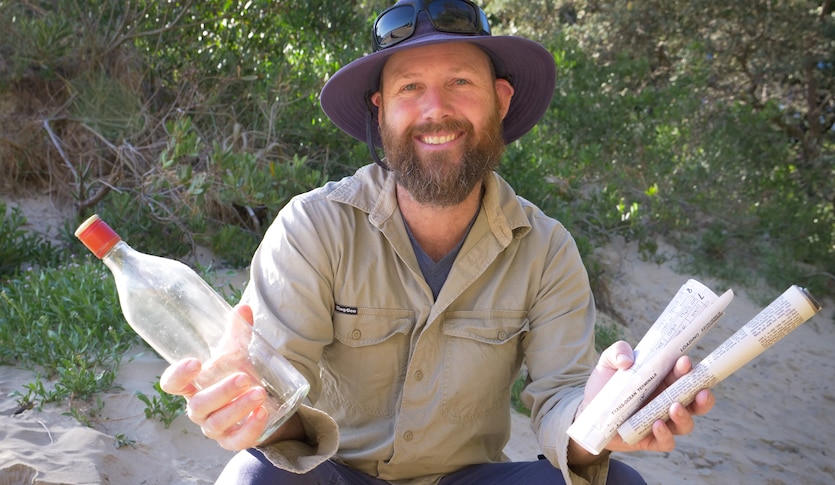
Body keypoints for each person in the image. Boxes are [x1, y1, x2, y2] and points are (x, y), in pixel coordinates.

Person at [160, 1, 715, 484]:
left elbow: (561, 405)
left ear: (500, 99)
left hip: (469, 480)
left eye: (460, 82)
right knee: (253, 474)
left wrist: (598, 420)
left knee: (619, 482)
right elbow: (277, 394)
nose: (435, 109)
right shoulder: (314, 227)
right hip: (333, 475)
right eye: (409, 88)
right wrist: (248, 404)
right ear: (381, 109)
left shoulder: (546, 250)